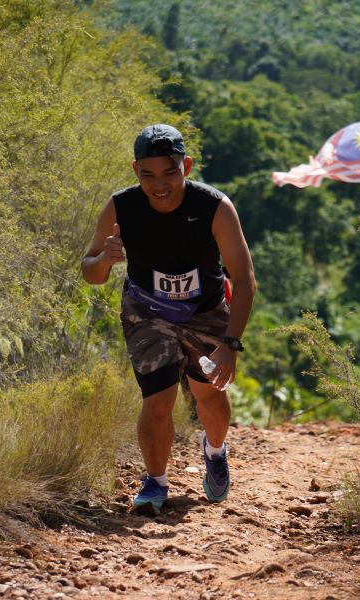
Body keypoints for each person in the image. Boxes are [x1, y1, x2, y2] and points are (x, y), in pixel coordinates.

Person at [81, 124, 256, 514]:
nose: (159, 184)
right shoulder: (121, 207)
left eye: (169, 172)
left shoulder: (215, 207)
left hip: (206, 311)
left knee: (209, 395)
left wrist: (230, 345)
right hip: (147, 312)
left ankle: (215, 451)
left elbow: (244, 279)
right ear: (136, 171)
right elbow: (90, 272)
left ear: (186, 167)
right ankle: (155, 482)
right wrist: (105, 259)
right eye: (148, 174)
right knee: (158, 398)